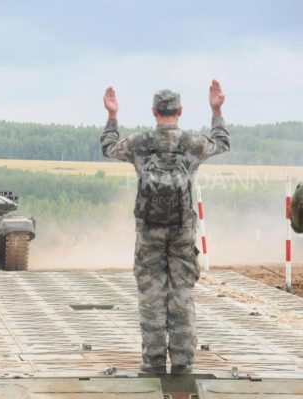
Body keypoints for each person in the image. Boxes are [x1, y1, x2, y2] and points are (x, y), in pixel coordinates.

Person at [100, 80, 230, 375]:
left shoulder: (140, 143)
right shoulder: (192, 143)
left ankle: (153, 362)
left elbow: (108, 147)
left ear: (154, 112)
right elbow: (222, 142)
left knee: (151, 294)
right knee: (182, 294)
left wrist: (112, 116)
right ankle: (183, 363)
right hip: (182, 230)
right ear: (180, 111)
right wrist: (216, 109)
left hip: (149, 232)